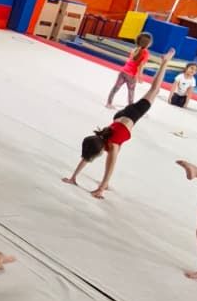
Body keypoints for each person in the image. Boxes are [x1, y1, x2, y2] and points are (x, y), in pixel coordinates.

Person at [64, 52, 174, 198]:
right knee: (153, 91)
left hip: (133, 113)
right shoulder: (99, 141)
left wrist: (100, 189)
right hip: (120, 118)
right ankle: (104, 184)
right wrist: (73, 177)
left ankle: (164, 62)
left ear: (102, 149)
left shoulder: (113, 145)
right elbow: (87, 155)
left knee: (154, 90)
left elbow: (110, 167)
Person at [106, 32, 152, 108]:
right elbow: (140, 66)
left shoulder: (135, 49)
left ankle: (109, 103)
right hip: (131, 75)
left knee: (116, 88)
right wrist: (139, 76)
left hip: (123, 71)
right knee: (131, 91)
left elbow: (131, 61)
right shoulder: (146, 53)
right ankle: (130, 107)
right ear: (148, 44)